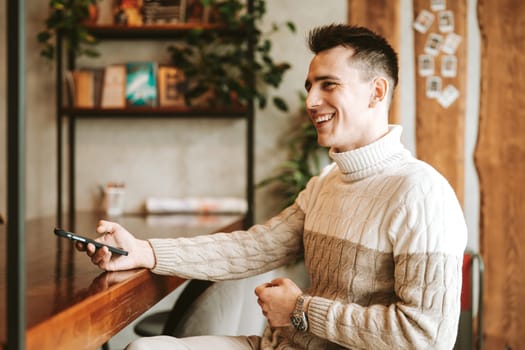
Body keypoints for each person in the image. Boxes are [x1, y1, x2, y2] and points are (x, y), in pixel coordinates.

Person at [81, 24, 467, 349]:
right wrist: (142, 250)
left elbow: (428, 336)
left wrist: (301, 310)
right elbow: (255, 246)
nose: (312, 101)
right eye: (310, 86)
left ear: (377, 92)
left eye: (328, 85)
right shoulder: (326, 185)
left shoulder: (421, 193)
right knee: (144, 348)